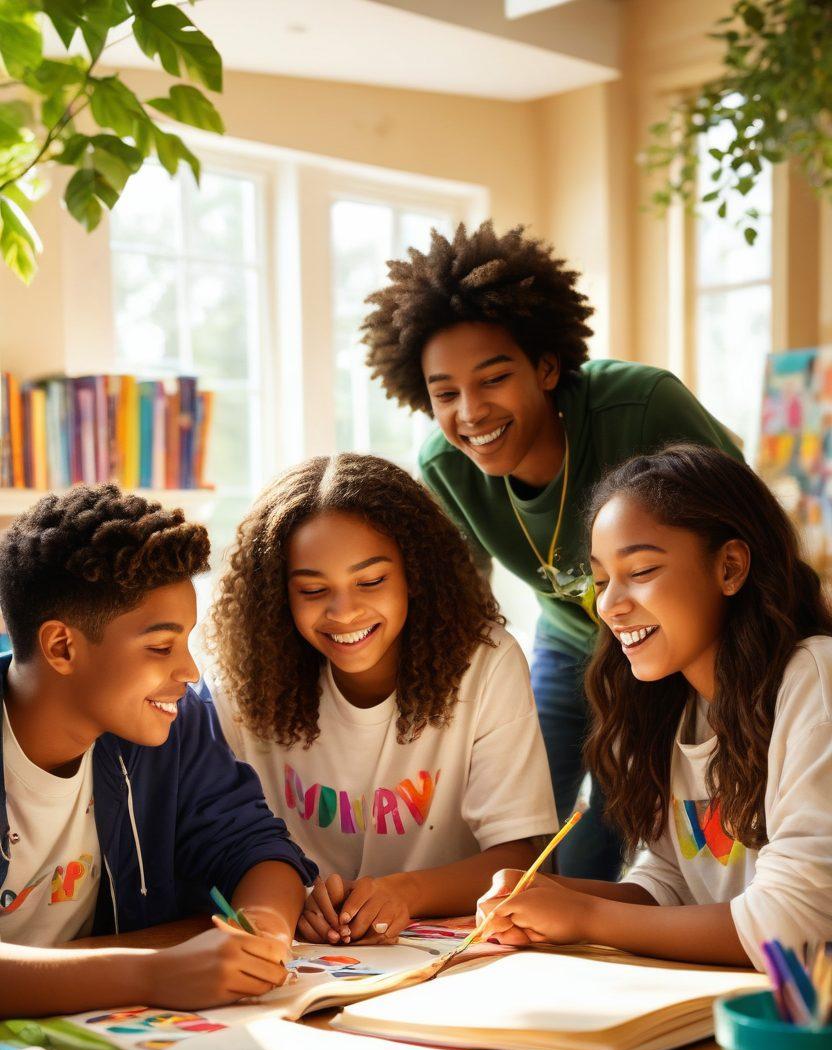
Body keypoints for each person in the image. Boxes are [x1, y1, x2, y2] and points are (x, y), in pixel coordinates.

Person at [362, 221, 742, 880]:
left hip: (683, 642)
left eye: (493, 379)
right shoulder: (447, 470)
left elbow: (747, 534)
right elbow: (457, 614)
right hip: (572, 644)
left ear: (545, 366)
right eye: (445, 393)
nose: (471, 412)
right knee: (531, 828)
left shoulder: (641, 408)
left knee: (604, 840)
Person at [476, 445, 832, 969]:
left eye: (640, 571)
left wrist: (585, 917)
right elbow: (671, 882)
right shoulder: (669, 706)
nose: (609, 605)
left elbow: (792, 925)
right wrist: (548, 896)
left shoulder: (814, 681)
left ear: (730, 567)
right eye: (600, 581)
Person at [206, 453, 557, 945]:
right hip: (300, 949)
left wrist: (406, 892)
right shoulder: (243, 681)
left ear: (415, 573)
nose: (343, 612)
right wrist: (290, 902)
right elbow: (219, 851)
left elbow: (519, 858)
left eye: (370, 582)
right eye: (311, 589)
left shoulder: (485, 663)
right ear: (277, 595)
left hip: (436, 950)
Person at [0, 485, 317, 1017]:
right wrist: (150, 973)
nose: (189, 673)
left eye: (188, 642)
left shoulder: (173, 721)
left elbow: (255, 848)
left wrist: (259, 937)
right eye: (160, 647)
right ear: (62, 647)